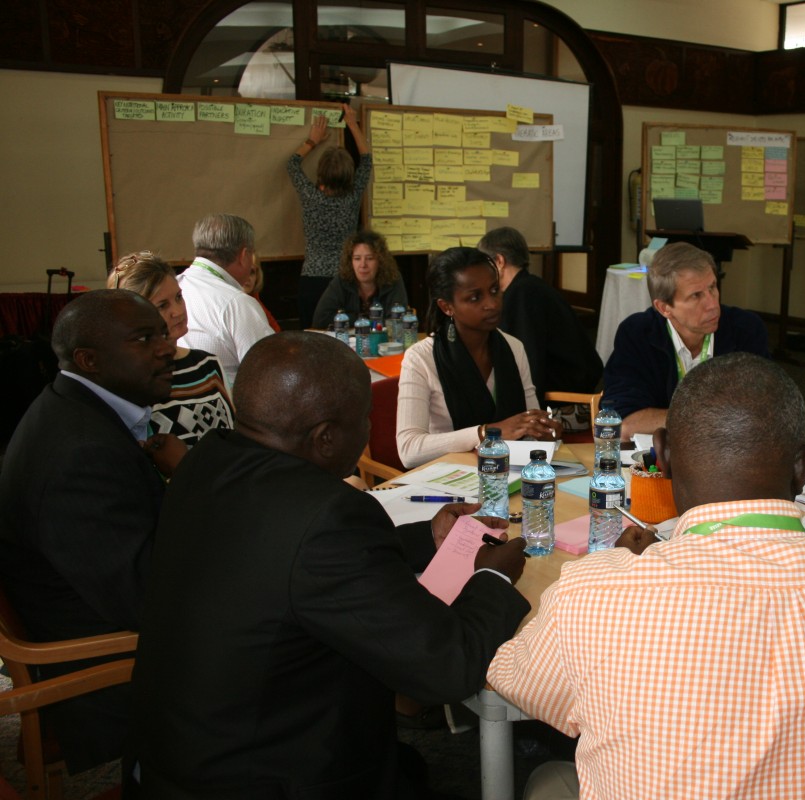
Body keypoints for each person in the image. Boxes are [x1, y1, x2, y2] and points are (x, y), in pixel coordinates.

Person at [489, 353, 805, 800]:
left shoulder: (594, 591)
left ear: (661, 455)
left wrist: (608, 568)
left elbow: (516, 681)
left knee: (549, 779)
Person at [132, 331, 531, 798]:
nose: (367, 430)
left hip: (176, 751)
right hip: (263, 775)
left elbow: (290, 557)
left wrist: (428, 536)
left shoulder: (207, 462)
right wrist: (493, 576)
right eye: (364, 419)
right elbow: (447, 665)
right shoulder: (326, 515)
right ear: (325, 438)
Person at [0, 289, 174, 772]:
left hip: (118, 627)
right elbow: (145, 600)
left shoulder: (75, 410)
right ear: (89, 360)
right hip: (114, 678)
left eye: (162, 332)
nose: (167, 348)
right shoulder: (80, 453)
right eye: (144, 339)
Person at [395, 247, 559, 468]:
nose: (491, 304)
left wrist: (544, 431)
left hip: (509, 472)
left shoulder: (513, 347)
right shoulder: (420, 358)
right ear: (447, 306)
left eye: (494, 290)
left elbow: (527, 425)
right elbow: (408, 449)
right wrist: (486, 432)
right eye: (474, 297)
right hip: (447, 478)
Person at [602, 242, 770, 437]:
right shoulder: (637, 334)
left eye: (712, 287)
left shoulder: (746, 329)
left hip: (729, 454)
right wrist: (708, 418)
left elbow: (762, 411)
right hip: (659, 458)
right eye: (696, 296)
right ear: (664, 308)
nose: (712, 304)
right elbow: (625, 423)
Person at [107, 250, 234, 476]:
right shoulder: (131, 380)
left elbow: (235, 435)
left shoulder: (207, 364)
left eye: (178, 297)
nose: (178, 311)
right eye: (162, 306)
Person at [477, 226, 602, 401]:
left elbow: (528, 362)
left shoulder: (523, 294)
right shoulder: (529, 287)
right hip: (567, 384)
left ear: (499, 261)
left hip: (566, 397)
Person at [290, 103, 373, 329]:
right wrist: (353, 124)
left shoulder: (310, 196)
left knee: (313, 340)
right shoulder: (352, 197)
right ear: (349, 176)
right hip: (345, 279)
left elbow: (292, 165)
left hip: (312, 280)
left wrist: (312, 139)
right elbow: (366, 159)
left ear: (320, 174)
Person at [176, 213, 274, 386]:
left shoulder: (176, 285)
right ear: (244, 256)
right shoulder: (237, 303)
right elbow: (269, 373)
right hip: (228, 407)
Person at [312, 229, 409, 329]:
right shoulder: (342, 281)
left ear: (380, 261)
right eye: (357, 258)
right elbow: (320, 319)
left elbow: (398, 321)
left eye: (370, 258)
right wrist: (364, 320)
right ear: (351, 262)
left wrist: (348, 320)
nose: (363, 265)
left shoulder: (392, 279)